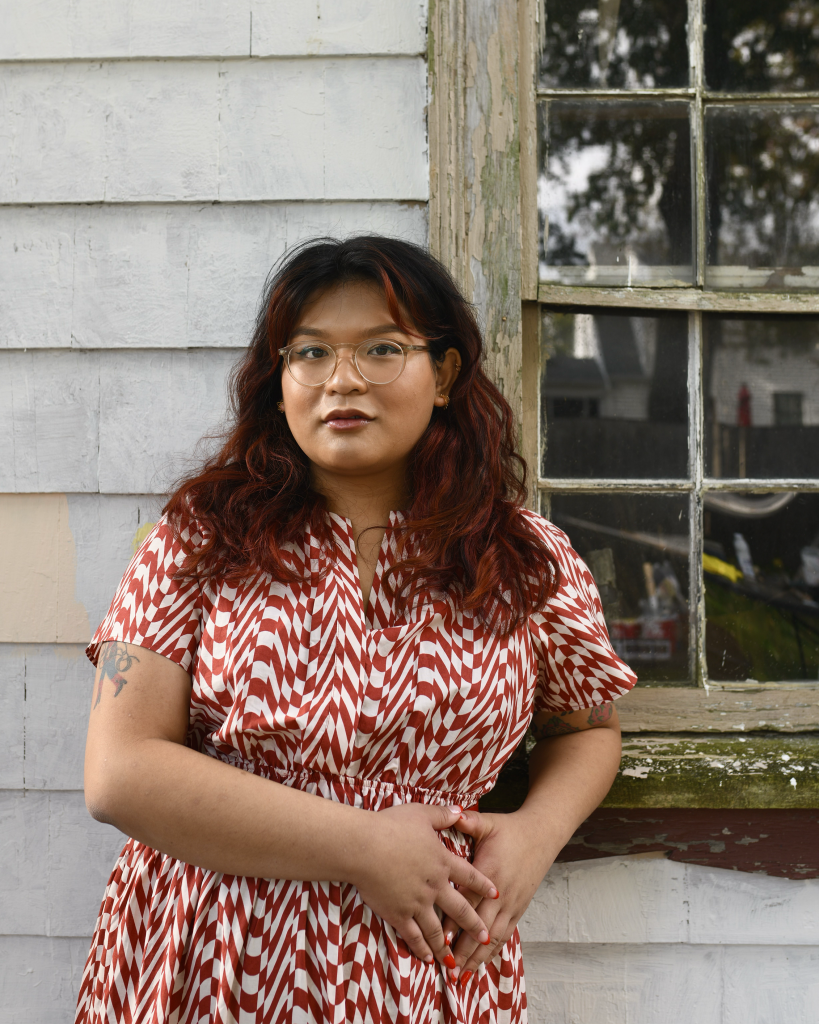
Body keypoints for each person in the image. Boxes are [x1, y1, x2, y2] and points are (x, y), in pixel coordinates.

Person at [76, 236, 636, 1024]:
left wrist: (535, 833)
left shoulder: (524, 557)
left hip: (426, 963)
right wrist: (363, 845)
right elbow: (121, 773)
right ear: (278, 381)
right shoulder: (200, 540)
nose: (342, 380)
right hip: (214, 956)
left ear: (442, 374)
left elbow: (586, 727)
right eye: (309, 352)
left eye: (380, 348)